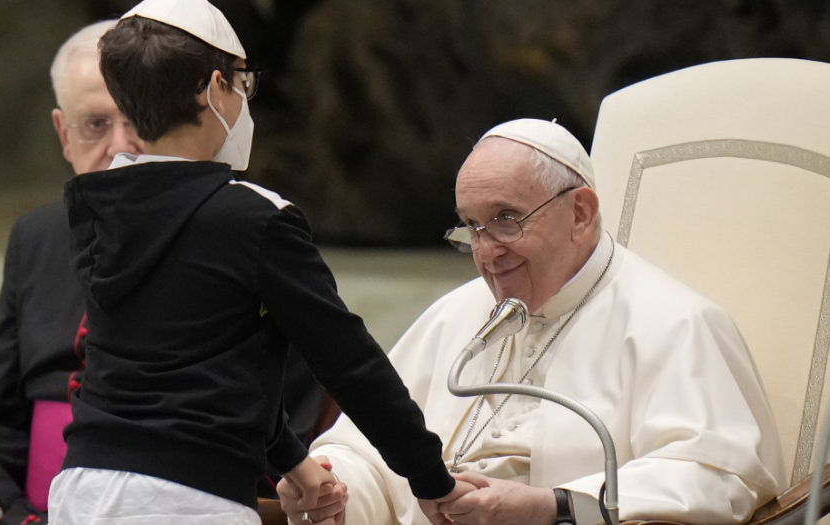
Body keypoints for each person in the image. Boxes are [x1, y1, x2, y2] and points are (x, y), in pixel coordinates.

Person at [47, 1, 471, 525]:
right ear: (213, 89)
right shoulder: (257, 218)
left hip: (81, 488)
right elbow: (348, 362)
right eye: (241, 83)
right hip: (188, 500)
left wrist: (294, 462)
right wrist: (430, 478)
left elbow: (199, 363)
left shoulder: (97, 208)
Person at [281, 118, 786, 525]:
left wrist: (551, 506)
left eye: (506, 220)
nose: (486, 253)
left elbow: (720, 478)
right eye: (472, 228)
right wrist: (333, 486)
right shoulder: (456, 314)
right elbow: (367, 451)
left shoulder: (675, 324)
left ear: (580, 213)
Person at [0, 19, 327, 525]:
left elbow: (277, 425)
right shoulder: (36, 236)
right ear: (63, 135)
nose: (122, 145)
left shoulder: (249, 232)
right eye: (96, 124)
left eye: (135, 121)